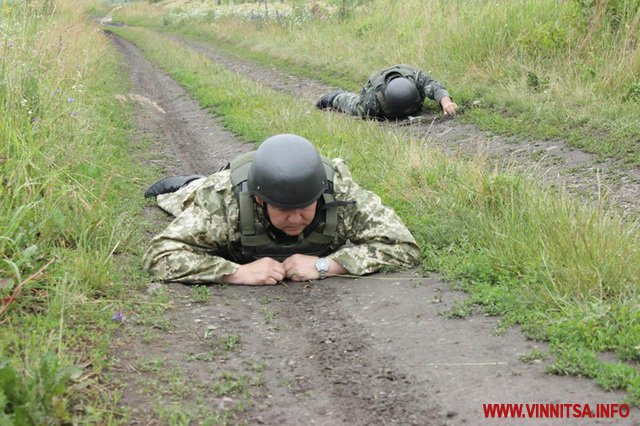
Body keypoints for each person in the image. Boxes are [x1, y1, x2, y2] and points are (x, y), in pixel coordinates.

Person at [142, 133, 420, 286]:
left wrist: (327, 265)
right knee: (182, 197)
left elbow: (403, 246)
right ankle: (189, 182)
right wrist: (236, 273)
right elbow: (159, 255)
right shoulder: (223, 201)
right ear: (260, 201)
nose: (296, 218)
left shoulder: (341, 192)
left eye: (304, 207)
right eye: (284, 209)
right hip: (207, 188)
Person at [316, 64, 457, 120]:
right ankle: (335, 96)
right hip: (375, 88)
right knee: (354, 106)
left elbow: (434, 86)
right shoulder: (373, 102)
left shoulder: (416, 78)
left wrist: (446, 102)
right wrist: (335, 99)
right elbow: (357, 106)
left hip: (401, 74)